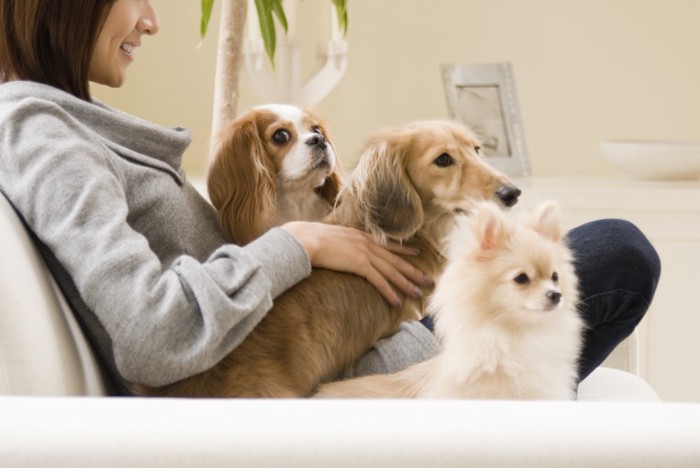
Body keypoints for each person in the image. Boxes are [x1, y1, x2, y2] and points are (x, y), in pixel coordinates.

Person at [0, 0, 660, 395]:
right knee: (619, 257)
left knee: (604, 250)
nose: (151, 20)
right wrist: (300, 242)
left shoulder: (69, 128)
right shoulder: (40, 133)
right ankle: (509, 413)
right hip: (372, 384)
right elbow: (151, 333)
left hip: (364, 350)